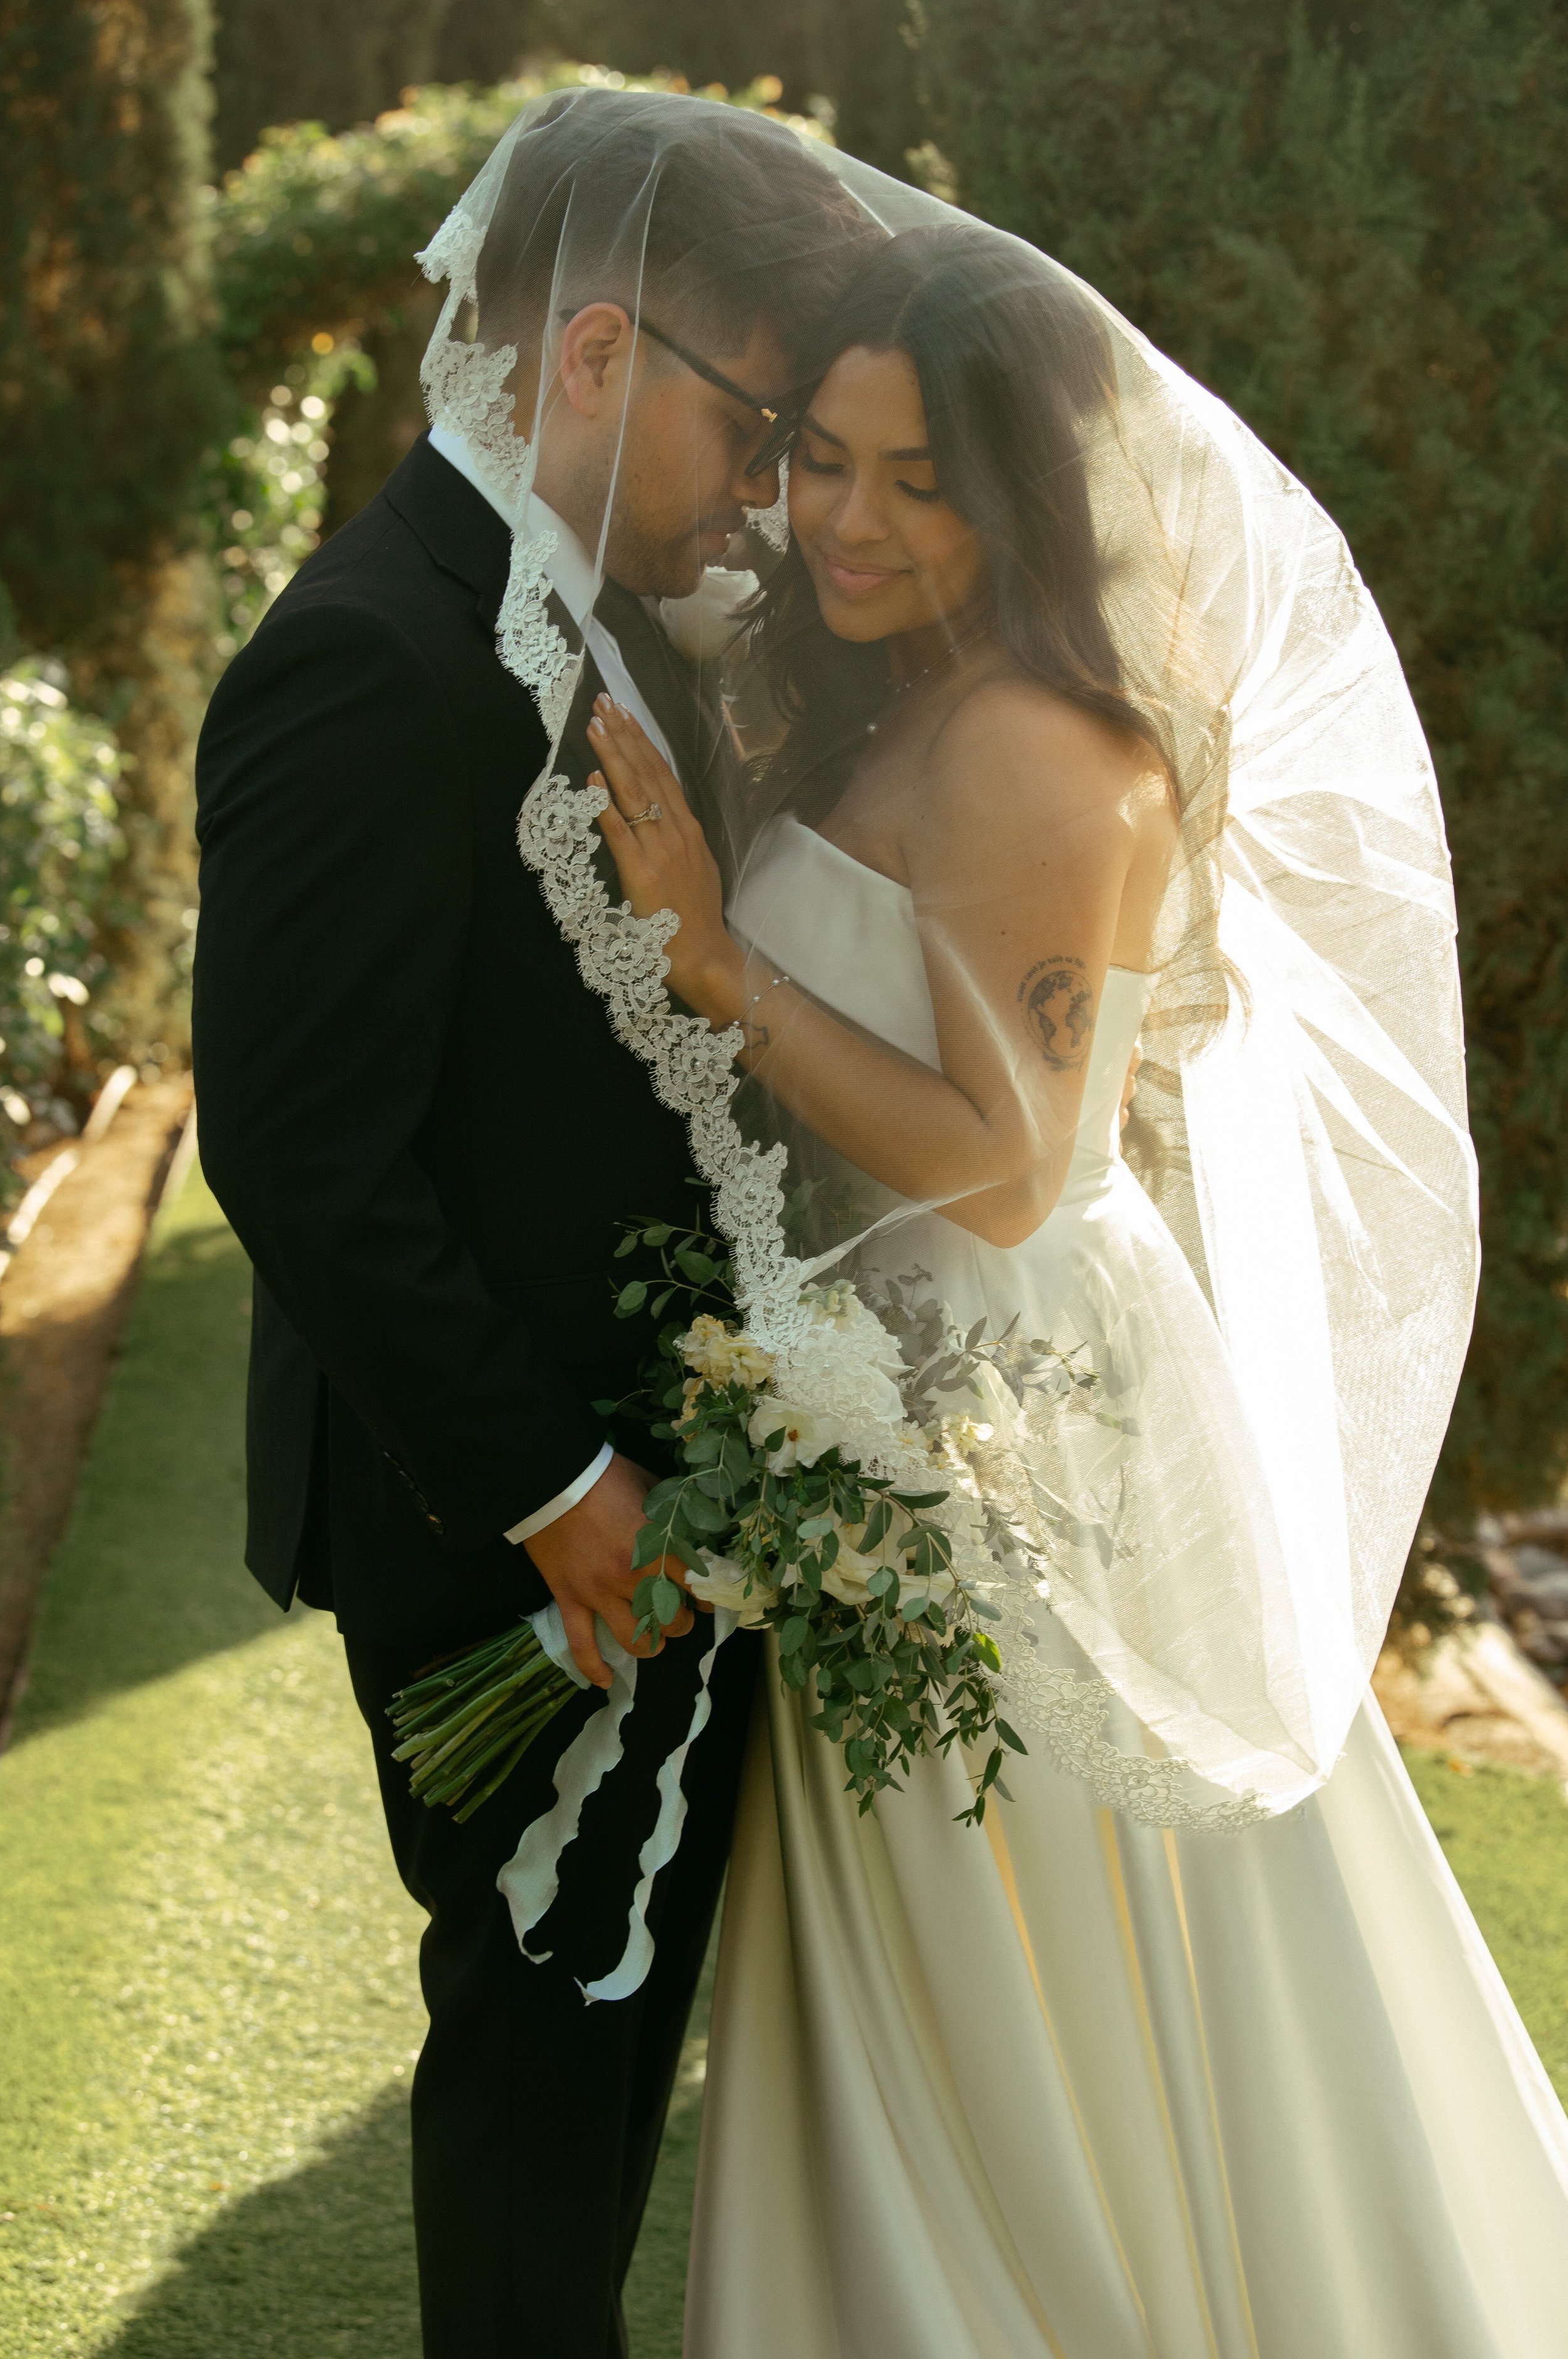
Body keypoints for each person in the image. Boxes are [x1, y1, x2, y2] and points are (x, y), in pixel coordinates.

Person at [581, 218, 1568, 2355]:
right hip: (897, 1393)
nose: (844, 518)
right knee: (953, 1957)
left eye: (915, 479)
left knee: (1065, 1954)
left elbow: (1014, 1165)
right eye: (820, 458)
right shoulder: (906, 693)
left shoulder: (1030, 745)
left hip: (1013, 1422)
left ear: (1019, 497)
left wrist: (717, 965)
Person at [193, 89, 876, 2359]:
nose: (762, 486)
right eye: (751, 421)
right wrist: (563, 1485)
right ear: (593, 355)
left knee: (585, 2069)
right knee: (538, 2076)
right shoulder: (366, 656)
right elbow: (298, 1146)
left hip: (657, 1492)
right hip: (510, 1528)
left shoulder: (601, 615)